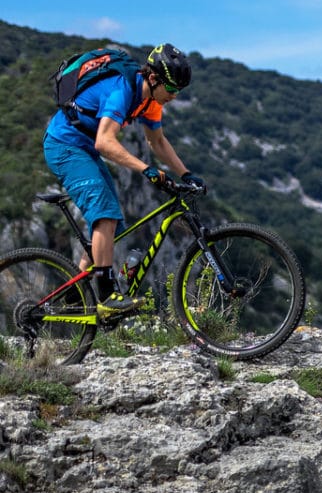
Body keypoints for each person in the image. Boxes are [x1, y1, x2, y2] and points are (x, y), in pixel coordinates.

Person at [42, 43, 202, 317]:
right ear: (154, 78)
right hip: (64, 146)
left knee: (112, 227)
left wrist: (186, 173)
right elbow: (105, 142)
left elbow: (157, 141)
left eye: (179, 91)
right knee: (104, 214)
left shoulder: (151, 100)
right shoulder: (122, 90)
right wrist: (146, 169)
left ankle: (74, 290)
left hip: (84, 149)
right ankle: (106, 297)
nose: (174, 96)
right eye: (171, 88)